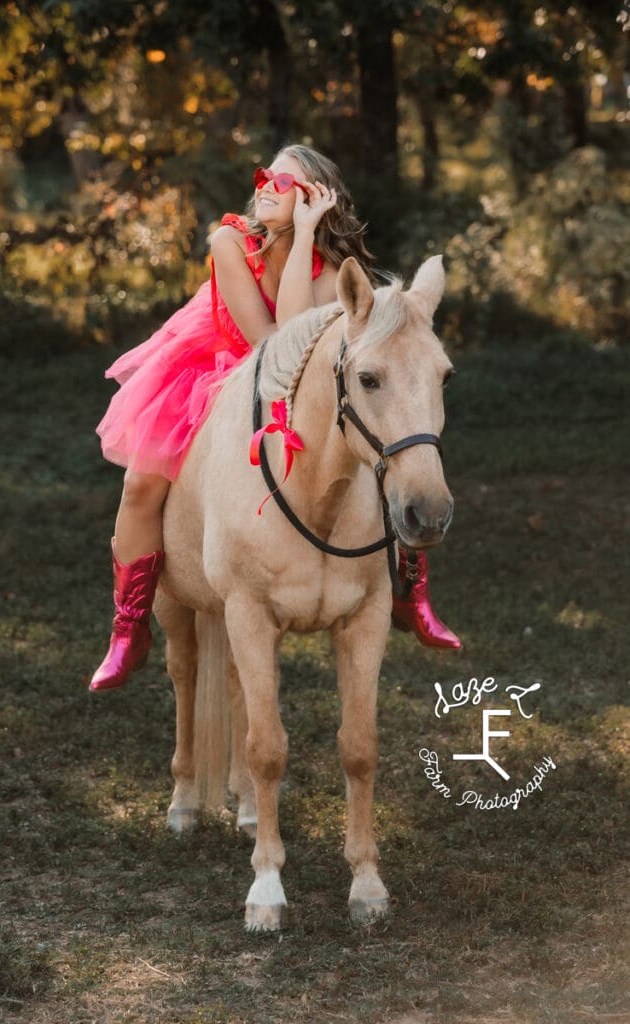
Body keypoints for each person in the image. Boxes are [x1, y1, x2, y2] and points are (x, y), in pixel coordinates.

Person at [90, 144, 460, 693]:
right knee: (142, 483)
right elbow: (268, 345)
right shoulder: (231, 240)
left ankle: (411, 591)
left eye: (283, 183)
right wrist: (298, 233)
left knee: (384, 445)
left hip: (297, 377)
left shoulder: (332, 267)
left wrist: (307, 234)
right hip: (213, 365)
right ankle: (129, 625)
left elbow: (296, 343)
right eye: (264, 176)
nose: (264, 185)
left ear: (312, 198)